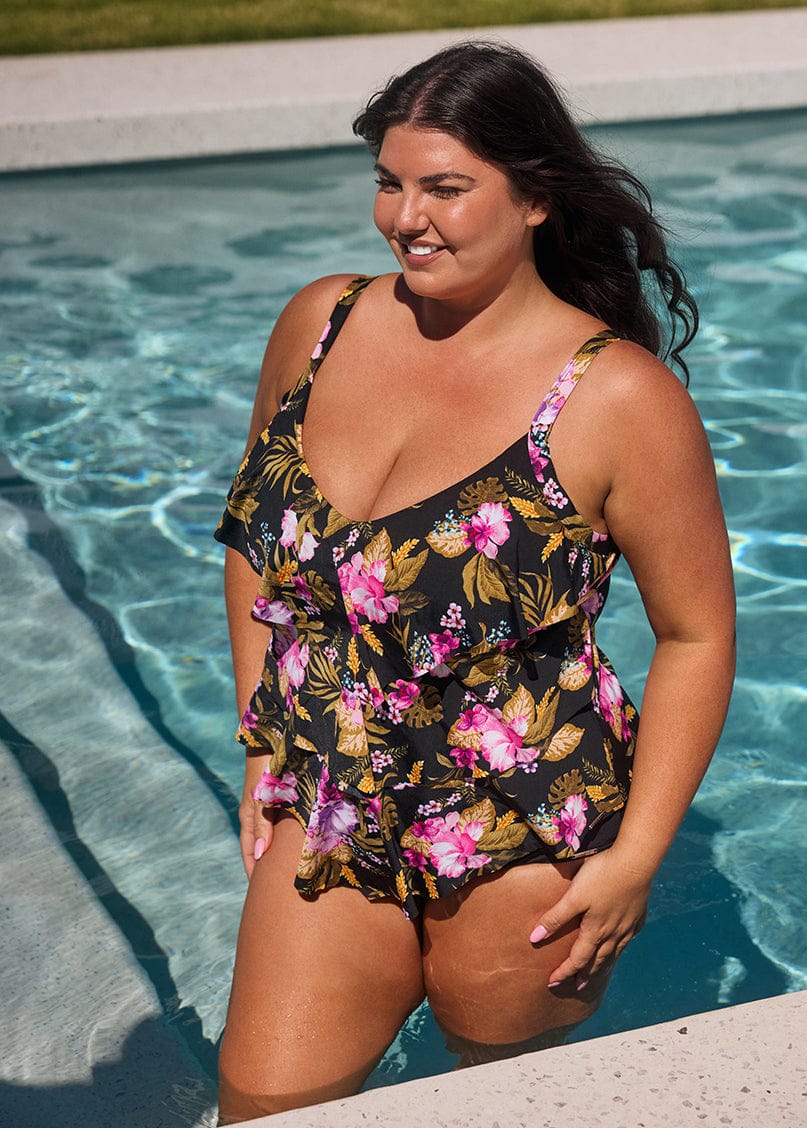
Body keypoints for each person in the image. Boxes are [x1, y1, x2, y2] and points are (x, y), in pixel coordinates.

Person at [213, 40, 736, 1123]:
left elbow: (694, 635)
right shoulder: (323, 324)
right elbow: (255, 539)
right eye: (390, 183)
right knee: (260, 1103)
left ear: (536, 197)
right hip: (333, 799)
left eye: (447, 188)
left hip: (522, 832)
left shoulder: (614, 399)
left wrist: (637, 859)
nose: (410, 218)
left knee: (503, 1109)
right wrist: (260, 730)